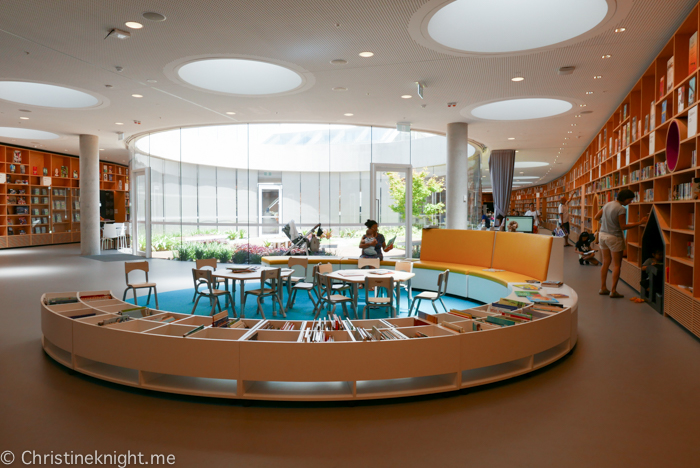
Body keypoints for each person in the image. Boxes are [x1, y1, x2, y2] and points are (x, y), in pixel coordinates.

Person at [594, 189, 648, 298]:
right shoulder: (621, 209)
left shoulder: (607, 204)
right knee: (617, 265)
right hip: (614, 238)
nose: (630, 202)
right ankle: (613, 291)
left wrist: (604, 222)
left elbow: (596, 217)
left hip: (603, 236)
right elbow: (623, 227)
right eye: (630, 200)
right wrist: (639, 223)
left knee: (605, 262)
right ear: (625, 198)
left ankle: (603, 288)